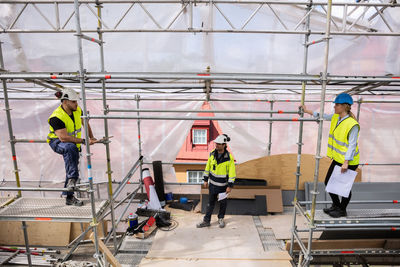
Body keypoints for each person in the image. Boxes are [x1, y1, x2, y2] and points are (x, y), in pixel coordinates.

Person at [302, 93, 360, 218]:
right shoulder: (336, 117)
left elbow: (352, 144)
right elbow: (323, 116)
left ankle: (342, 210)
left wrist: (346, 162)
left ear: (344, 106)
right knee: (329, 183)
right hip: (339, 159)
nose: (334, 107)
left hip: (349, 161)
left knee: (343, 187)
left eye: (337, 105)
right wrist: (307, 111)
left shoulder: (352, 124)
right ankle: (336, 205)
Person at [47, 88, 97, 206]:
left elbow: (85, 123)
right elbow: (63, 138)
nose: (76, 104)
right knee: (70, 149)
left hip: (74, 144)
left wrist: (92, 137)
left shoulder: (77, 110)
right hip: (57, 142)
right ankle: (72, 180)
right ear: (65, 101)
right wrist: (85, 141)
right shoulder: (56, 117)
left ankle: (69, 196)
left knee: (71, 165)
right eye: (74, 101)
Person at [197, 134, 236, 228]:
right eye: (216, 143)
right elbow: (207, 167)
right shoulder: (212, 154)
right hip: (213, 185)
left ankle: (221, 219)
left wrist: (230, 186)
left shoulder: (229, 158)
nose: (216, 145)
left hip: (223, 186)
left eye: (219, 144)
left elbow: (232, 173)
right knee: (210, 203)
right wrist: (205, 179)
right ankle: (206, 221)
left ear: (224, 145)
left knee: (223, 204)